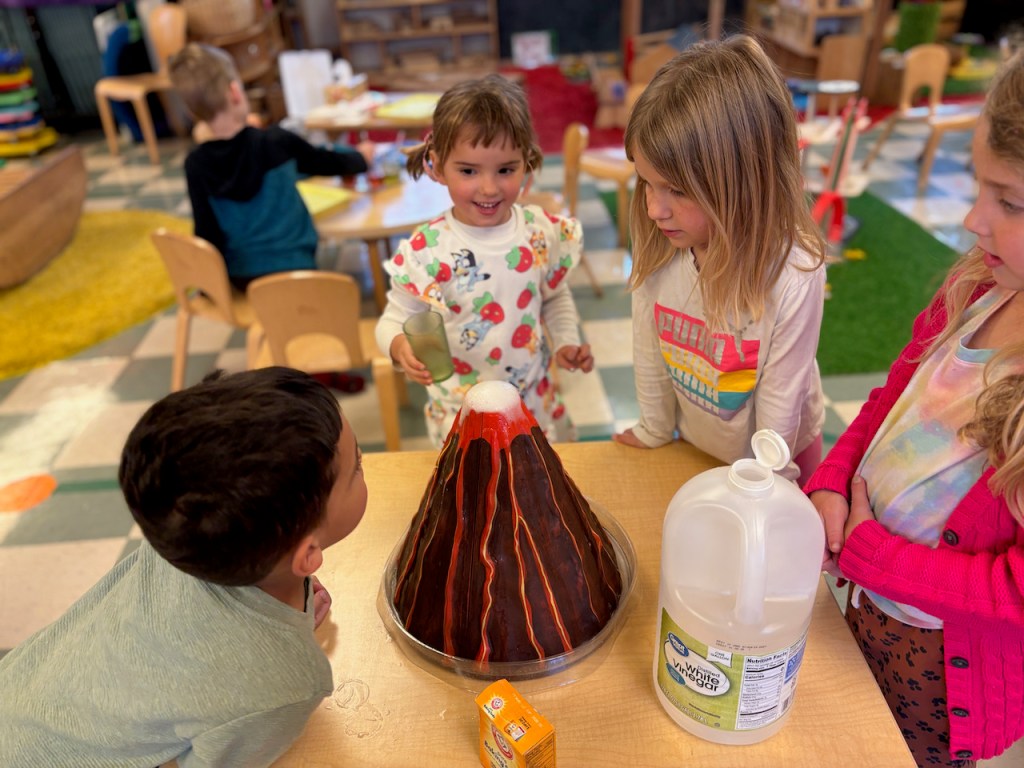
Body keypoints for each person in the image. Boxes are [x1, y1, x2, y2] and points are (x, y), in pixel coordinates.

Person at [809, 50, 1024, 768]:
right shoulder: (977, 288)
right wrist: (833, 480)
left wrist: (875, 555)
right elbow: (887, 405)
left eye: (1010, 202)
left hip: (939, 673)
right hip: (865, 605)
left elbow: (1015, 591)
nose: (973, 219)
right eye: (979, 187)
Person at [0, 367, 367, 767]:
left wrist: (284, 618)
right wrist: (276, 654)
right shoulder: (285, 687)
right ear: (307, 554)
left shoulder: (187, 525)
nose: (361, 462)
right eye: (357, 467)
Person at [611, 35, 827, 484]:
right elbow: (648, 351)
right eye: (646, 183)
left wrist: (767, 481)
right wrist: (654, 428)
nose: (654, 210)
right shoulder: (663, 246)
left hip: (779, 457)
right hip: (700, 446)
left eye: (677, 190)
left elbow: (781, 404)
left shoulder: (793, 276)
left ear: (746, 183)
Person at [374, 74, 594, 446]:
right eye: (468, 171)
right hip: (461, 414)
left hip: (531, 404)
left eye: (506, 170)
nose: (489, 188)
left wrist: (565, 342)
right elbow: (393, 319)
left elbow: (554, 296)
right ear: (437, 166)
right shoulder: (426, 250)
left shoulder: (540, 232)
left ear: (527, 162)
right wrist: (398, 346)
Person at [168, 43, 373, 289]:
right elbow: (325, 160)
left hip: (243, 282)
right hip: (297, 274)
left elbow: (206, 234)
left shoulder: (196, 164)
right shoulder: (276, 141)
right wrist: (362, 157)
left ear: (193, 113)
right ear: (235, 92)